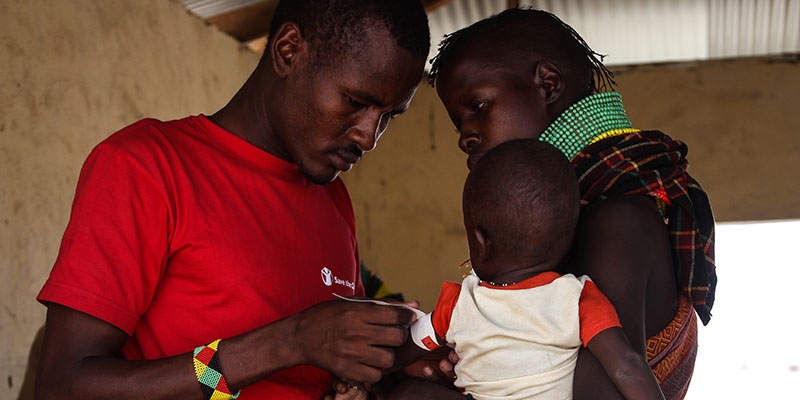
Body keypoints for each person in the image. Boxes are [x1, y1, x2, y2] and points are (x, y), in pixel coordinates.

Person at [34, 1, 430, 399]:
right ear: (288, 50)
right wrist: (285, 343)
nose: (369, 136)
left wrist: (390, 361)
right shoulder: (149, 167)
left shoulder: (333, 200)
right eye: (355, 102)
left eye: (389, 116)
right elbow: (64, 386)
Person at [384, 7, 717, 400]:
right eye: (459, 124)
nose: (465, 137)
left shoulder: (616, 221)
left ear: (547, 84)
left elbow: (606, 384)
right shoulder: (576, 225)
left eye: (479, 107)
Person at [385, 139, 663, 399]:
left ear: (481, 243)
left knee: (408, 393)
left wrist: (364, 380)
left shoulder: (457, 303)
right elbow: (626, 365)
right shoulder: (578, 298)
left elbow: (399, 352)